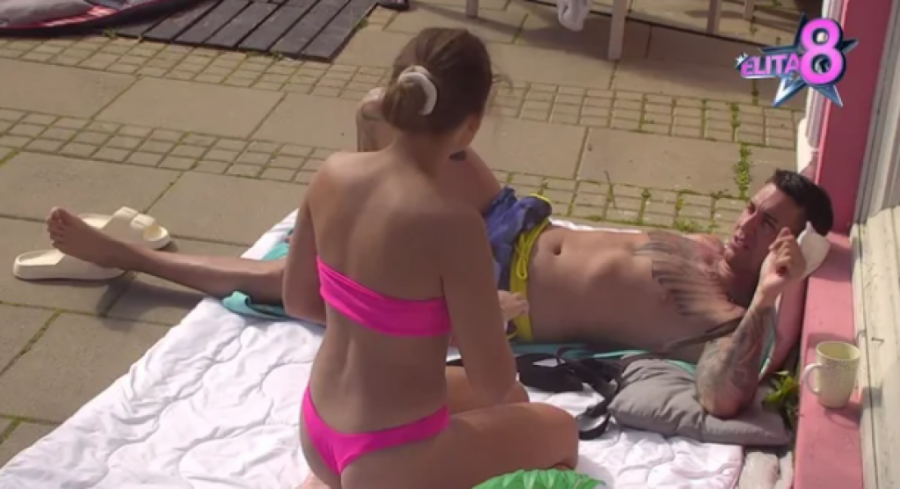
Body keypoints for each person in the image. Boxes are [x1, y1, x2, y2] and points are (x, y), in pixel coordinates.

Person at [42, 67, 834, 423]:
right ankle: (367, 194)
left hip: (490, 278)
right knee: (385, 112)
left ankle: (134, 257)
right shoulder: (704, 245)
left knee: (285, 281)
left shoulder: (726, 318)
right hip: (512, 219)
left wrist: (776, 290)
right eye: (751, 207)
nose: (745, 224)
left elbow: (723, 394)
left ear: (792, 247)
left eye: (767, 223)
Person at [302, 28, 580, 488]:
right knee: (560, 430)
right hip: (387, 458)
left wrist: (406, 323)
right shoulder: (453, 223)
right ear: (471, 125)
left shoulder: (333, 171)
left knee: (517, 398)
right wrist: (486, 316)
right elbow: (492, 380)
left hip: (317, 430)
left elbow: (301, 299)